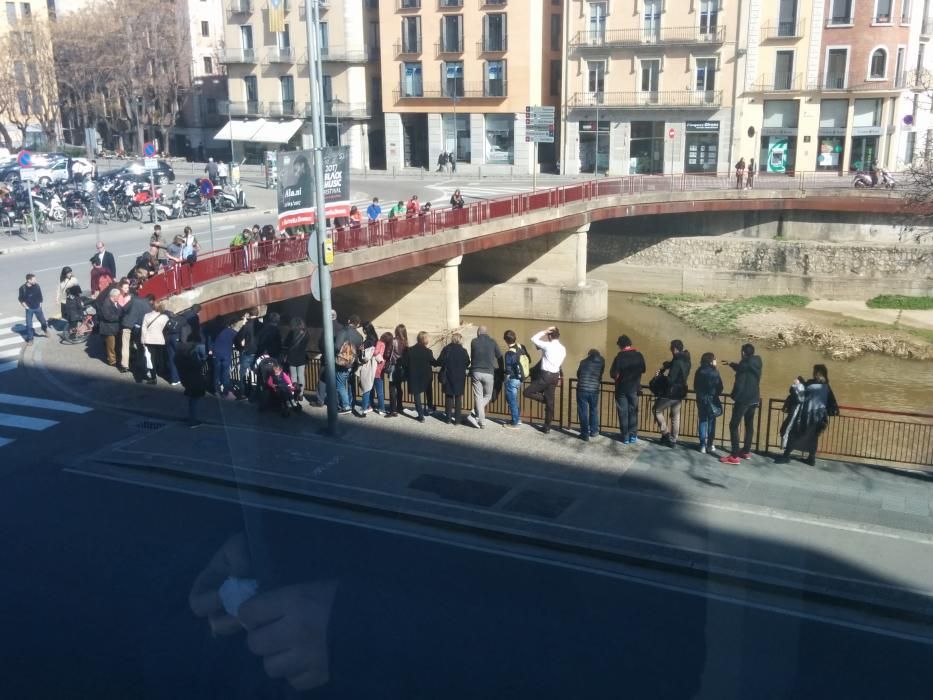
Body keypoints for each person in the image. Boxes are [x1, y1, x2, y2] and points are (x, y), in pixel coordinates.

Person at [778, 365, 839, 466]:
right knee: (813, 437)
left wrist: (798, 383)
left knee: (795, 433)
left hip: (807, 414)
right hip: (820, 416)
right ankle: (811, 458)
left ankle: (786, 455)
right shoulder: (827, 386)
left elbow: (801, 394)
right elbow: (831, 402)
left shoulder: (811, 385)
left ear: (817, 373)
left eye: (814, 371)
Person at [720, 343, 763, 465]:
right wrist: (731, 364)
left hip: (743, 400)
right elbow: (742, 368)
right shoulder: (756, 363)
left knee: (733, 425)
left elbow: (739, 383)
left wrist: (734, 395)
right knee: (749, 425)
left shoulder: (745, 364)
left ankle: (734, 456)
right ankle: (746, 451)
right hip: (755, 399)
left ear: (743, 353)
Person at [523, 326, 566, 433]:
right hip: (555, 376)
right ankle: (547, 427)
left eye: (548, 335)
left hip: (545, 376)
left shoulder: (548, 346)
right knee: (550, 403)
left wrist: (544, 331)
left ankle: (544, 400)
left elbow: (533, 339)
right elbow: (559, 364)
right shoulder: (563, 348)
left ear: (550, 336)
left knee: (527, 392)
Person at [652, 339, 691, 448]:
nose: (670, 350)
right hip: (681, 392)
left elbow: (670, 379)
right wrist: (668, 365)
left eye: (671, 348)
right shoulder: (687, 360)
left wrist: (659, 376)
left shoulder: (677, 362)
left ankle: (665, 433)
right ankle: (674, 439)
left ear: (674, 349)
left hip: (671, 392)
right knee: (675, 415)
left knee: (656, 410)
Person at [609, 335, 646, 445]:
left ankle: (625, 436)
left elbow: (613, 374)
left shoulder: (619, 357)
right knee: (633, 411)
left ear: (620, 345)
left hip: (621, 389)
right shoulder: (639, 355)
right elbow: (643, 369)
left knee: (623, 412)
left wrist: (619, 375)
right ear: (630, 344)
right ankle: (633, 435)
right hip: (634, 388)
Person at [466, 326, 502, 429]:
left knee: (478, 396)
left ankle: (479, 419)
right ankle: (476, 416)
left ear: (478, 333)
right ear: (486, 333)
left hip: (476, 372)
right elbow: (499, 357)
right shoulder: (493, 342)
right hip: (489, 373)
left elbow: (473, 356)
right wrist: (501, 370)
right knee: (488, 396)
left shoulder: (474, 341)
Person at [694, 352, 724, 455]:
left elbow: (695, 386)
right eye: (714, 359)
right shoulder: (715, 372)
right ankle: (710, 445)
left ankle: (702, 445)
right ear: (711, 361)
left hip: (701, 399)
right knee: (711, 421)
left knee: (702, 421)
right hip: (712, 399)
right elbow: (720, 387)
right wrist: (715, 394)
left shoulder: (699, 371)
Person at [438, 332, 470, 425]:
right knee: (458, 398)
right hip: (460, 377)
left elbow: (440, 361)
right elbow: (467, 362)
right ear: (460, 340)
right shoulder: (463, 351)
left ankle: (448, 419)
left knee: (449, 397)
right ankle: (457, 420)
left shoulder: (446, 349)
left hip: (448, 375)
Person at [333, 315, 363, 414]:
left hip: (343, 363)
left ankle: (346, 406)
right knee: (351, 384)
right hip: (353, 364)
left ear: (349, 320)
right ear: (357, 324)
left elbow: (337, 346)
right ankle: (351, 403)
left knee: (340, 385)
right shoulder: (359, 336)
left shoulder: (343, 332)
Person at [175, 340, 208, 427]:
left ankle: (191, 417)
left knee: (192, 400)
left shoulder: (178, 358)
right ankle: (193, 420)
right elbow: (198, 366)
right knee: (194, 401)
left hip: (186, 380)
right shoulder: (190, 358)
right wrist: (203, 361)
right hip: (195, 381)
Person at [406, 331, 436, 422]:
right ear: (425, 340)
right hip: (426, 376)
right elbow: (434, 363)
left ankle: (420, 415)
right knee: (428, 391)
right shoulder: (428, 352)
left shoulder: (410, 350)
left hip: (414, 376)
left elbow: (404, 362)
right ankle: (430, 408)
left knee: (417, 395)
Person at [354, 323, 384, 417]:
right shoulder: (377, 340)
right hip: (376, 368)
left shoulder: (367, 342)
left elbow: (364, 358)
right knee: (376, 390)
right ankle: (378, 408)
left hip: (368, 368)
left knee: (366, 389)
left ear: (365, 330)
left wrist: (361, 350)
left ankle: (365, 408)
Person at [119, 291, 152, 375]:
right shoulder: (148, 305)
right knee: (140, 346)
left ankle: (125, 366)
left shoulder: (133, 300)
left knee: (125, 345)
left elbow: (124, 309)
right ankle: (140, 363)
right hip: (139, 327)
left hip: (128, 324)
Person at [575, 348, 605, 441]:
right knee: (594, 410)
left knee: (583, 412)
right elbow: (600, 374)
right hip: (594, 390)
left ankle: (584, 434)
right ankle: (594, 431)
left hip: (582, 389)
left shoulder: (583, 362)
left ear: (589, 355)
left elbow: (578, 374)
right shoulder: (601, 361)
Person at [501, 330, 529, 428]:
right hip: (520, 379)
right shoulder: (521, 347)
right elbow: (529, 360)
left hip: (512, 379)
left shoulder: (509, 353)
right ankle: (517, 418)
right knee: (513, 399)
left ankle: (514, 422)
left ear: (505, 340)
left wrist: (505, 380)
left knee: (511, 400)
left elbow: (508, 370)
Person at [234, 308, 263, 399]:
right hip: (258, 352)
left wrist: (240, 346)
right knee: (258, 373)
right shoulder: (262, 325)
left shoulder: (247, 325)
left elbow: (238, 337)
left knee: (242, 373)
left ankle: (243, 393)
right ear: (257, 314)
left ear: (249, 315)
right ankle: (258, 392)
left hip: (247, 351)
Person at [141, 300, 169, 385]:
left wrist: (143, 341)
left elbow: (143, 329)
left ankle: (153, 377)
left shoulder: (147, 316)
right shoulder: (165, 317)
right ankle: (161, 372)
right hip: (160, 340)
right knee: (160, 357)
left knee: (151, 359)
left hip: (149, 340)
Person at [210, 319, 237, 399]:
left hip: (216, 353)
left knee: (216, 373)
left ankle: (216, 391)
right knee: (225, 373)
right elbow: (238, 339)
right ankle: (226, 391)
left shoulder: (215, 330)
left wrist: (210, 349)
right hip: (226, 354)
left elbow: (210, 340)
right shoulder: (232, 332)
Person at [18, 273, 48, 345]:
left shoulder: (37, 286)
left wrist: (40, 304)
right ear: (29, 280)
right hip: (29, 309)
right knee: (29, 325)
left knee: (43, 322)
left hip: (38, 307)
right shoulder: (22, 288)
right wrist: (26, 307)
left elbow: (40, 296)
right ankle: (30, 339)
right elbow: (21, 299)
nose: (35, 281)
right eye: (34, 279)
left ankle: (45, 330)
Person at [385, 324, 408, 417]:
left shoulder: (393, 341)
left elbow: (387, 354)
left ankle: (393, 410)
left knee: (392, 388)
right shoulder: (406, 342)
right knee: (399, 387)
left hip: (394, 366)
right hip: (401, 367)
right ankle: (400, 406)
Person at [96, 288, 122, 366]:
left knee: (115, 344)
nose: (119, 297)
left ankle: (116, 358)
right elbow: (108, 317)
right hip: (108, 328)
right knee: (111, 346)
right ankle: (112, 361)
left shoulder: (115, 302)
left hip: (114, 327)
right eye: (118, 296)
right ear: (113, 296)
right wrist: (119, 317)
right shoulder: (106, 304)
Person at [283, 317, 310, 388]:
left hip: (292, 356)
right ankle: (301, 394)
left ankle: (294, 393)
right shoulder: (306, 333)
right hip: (302, 356)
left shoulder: (292, 332)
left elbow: (286, 343)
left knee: (293, 375)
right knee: (301, 376)